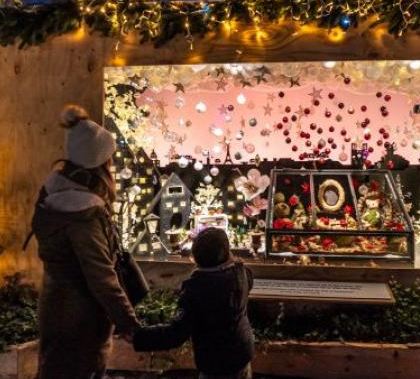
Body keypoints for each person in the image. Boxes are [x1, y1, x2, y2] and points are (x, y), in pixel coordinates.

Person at [30, 105, 140, 379]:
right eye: (110, 160)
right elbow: (101, 275)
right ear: (98, 164)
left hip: (56, 308)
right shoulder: (84, 214)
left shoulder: (52, 195)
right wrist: (129, 324)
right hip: (81, 319)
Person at [133, 228, 254, 379]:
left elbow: (176, 333)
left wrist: (138, 336)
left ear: (195, 258)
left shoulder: (197, 289)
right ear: (227, 252)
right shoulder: (241, 273)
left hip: (216, 363)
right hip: (241, 354)